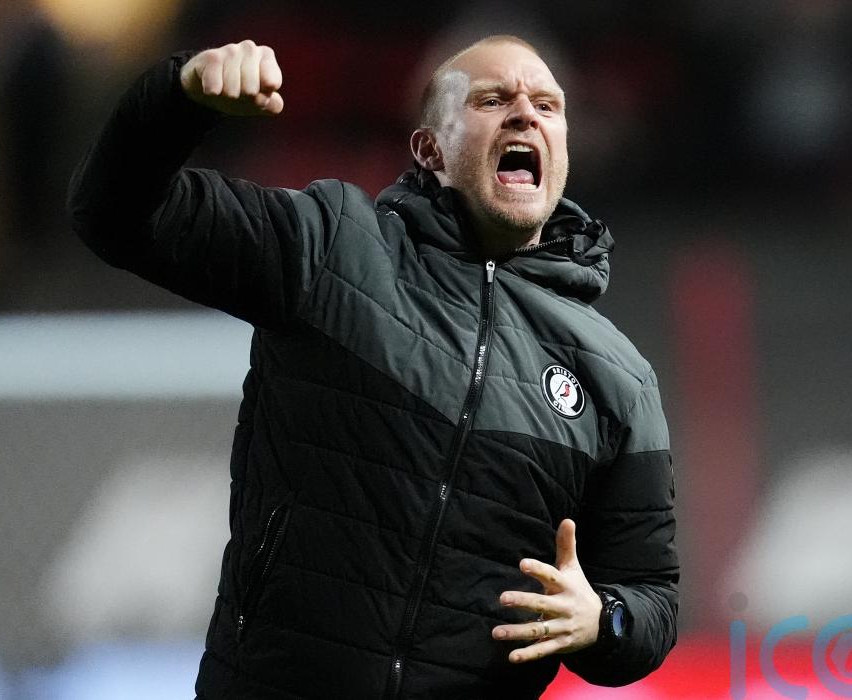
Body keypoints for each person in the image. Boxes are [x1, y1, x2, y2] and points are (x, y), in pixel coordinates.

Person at [69, 34, 679, 699]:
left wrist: (604, 621)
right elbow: (115, 214)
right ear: (430, 149)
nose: (525, 115)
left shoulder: (617, 380)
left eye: (547, 105)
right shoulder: (332, 247)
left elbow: (652, 597)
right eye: (492, 99)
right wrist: (179, 99)